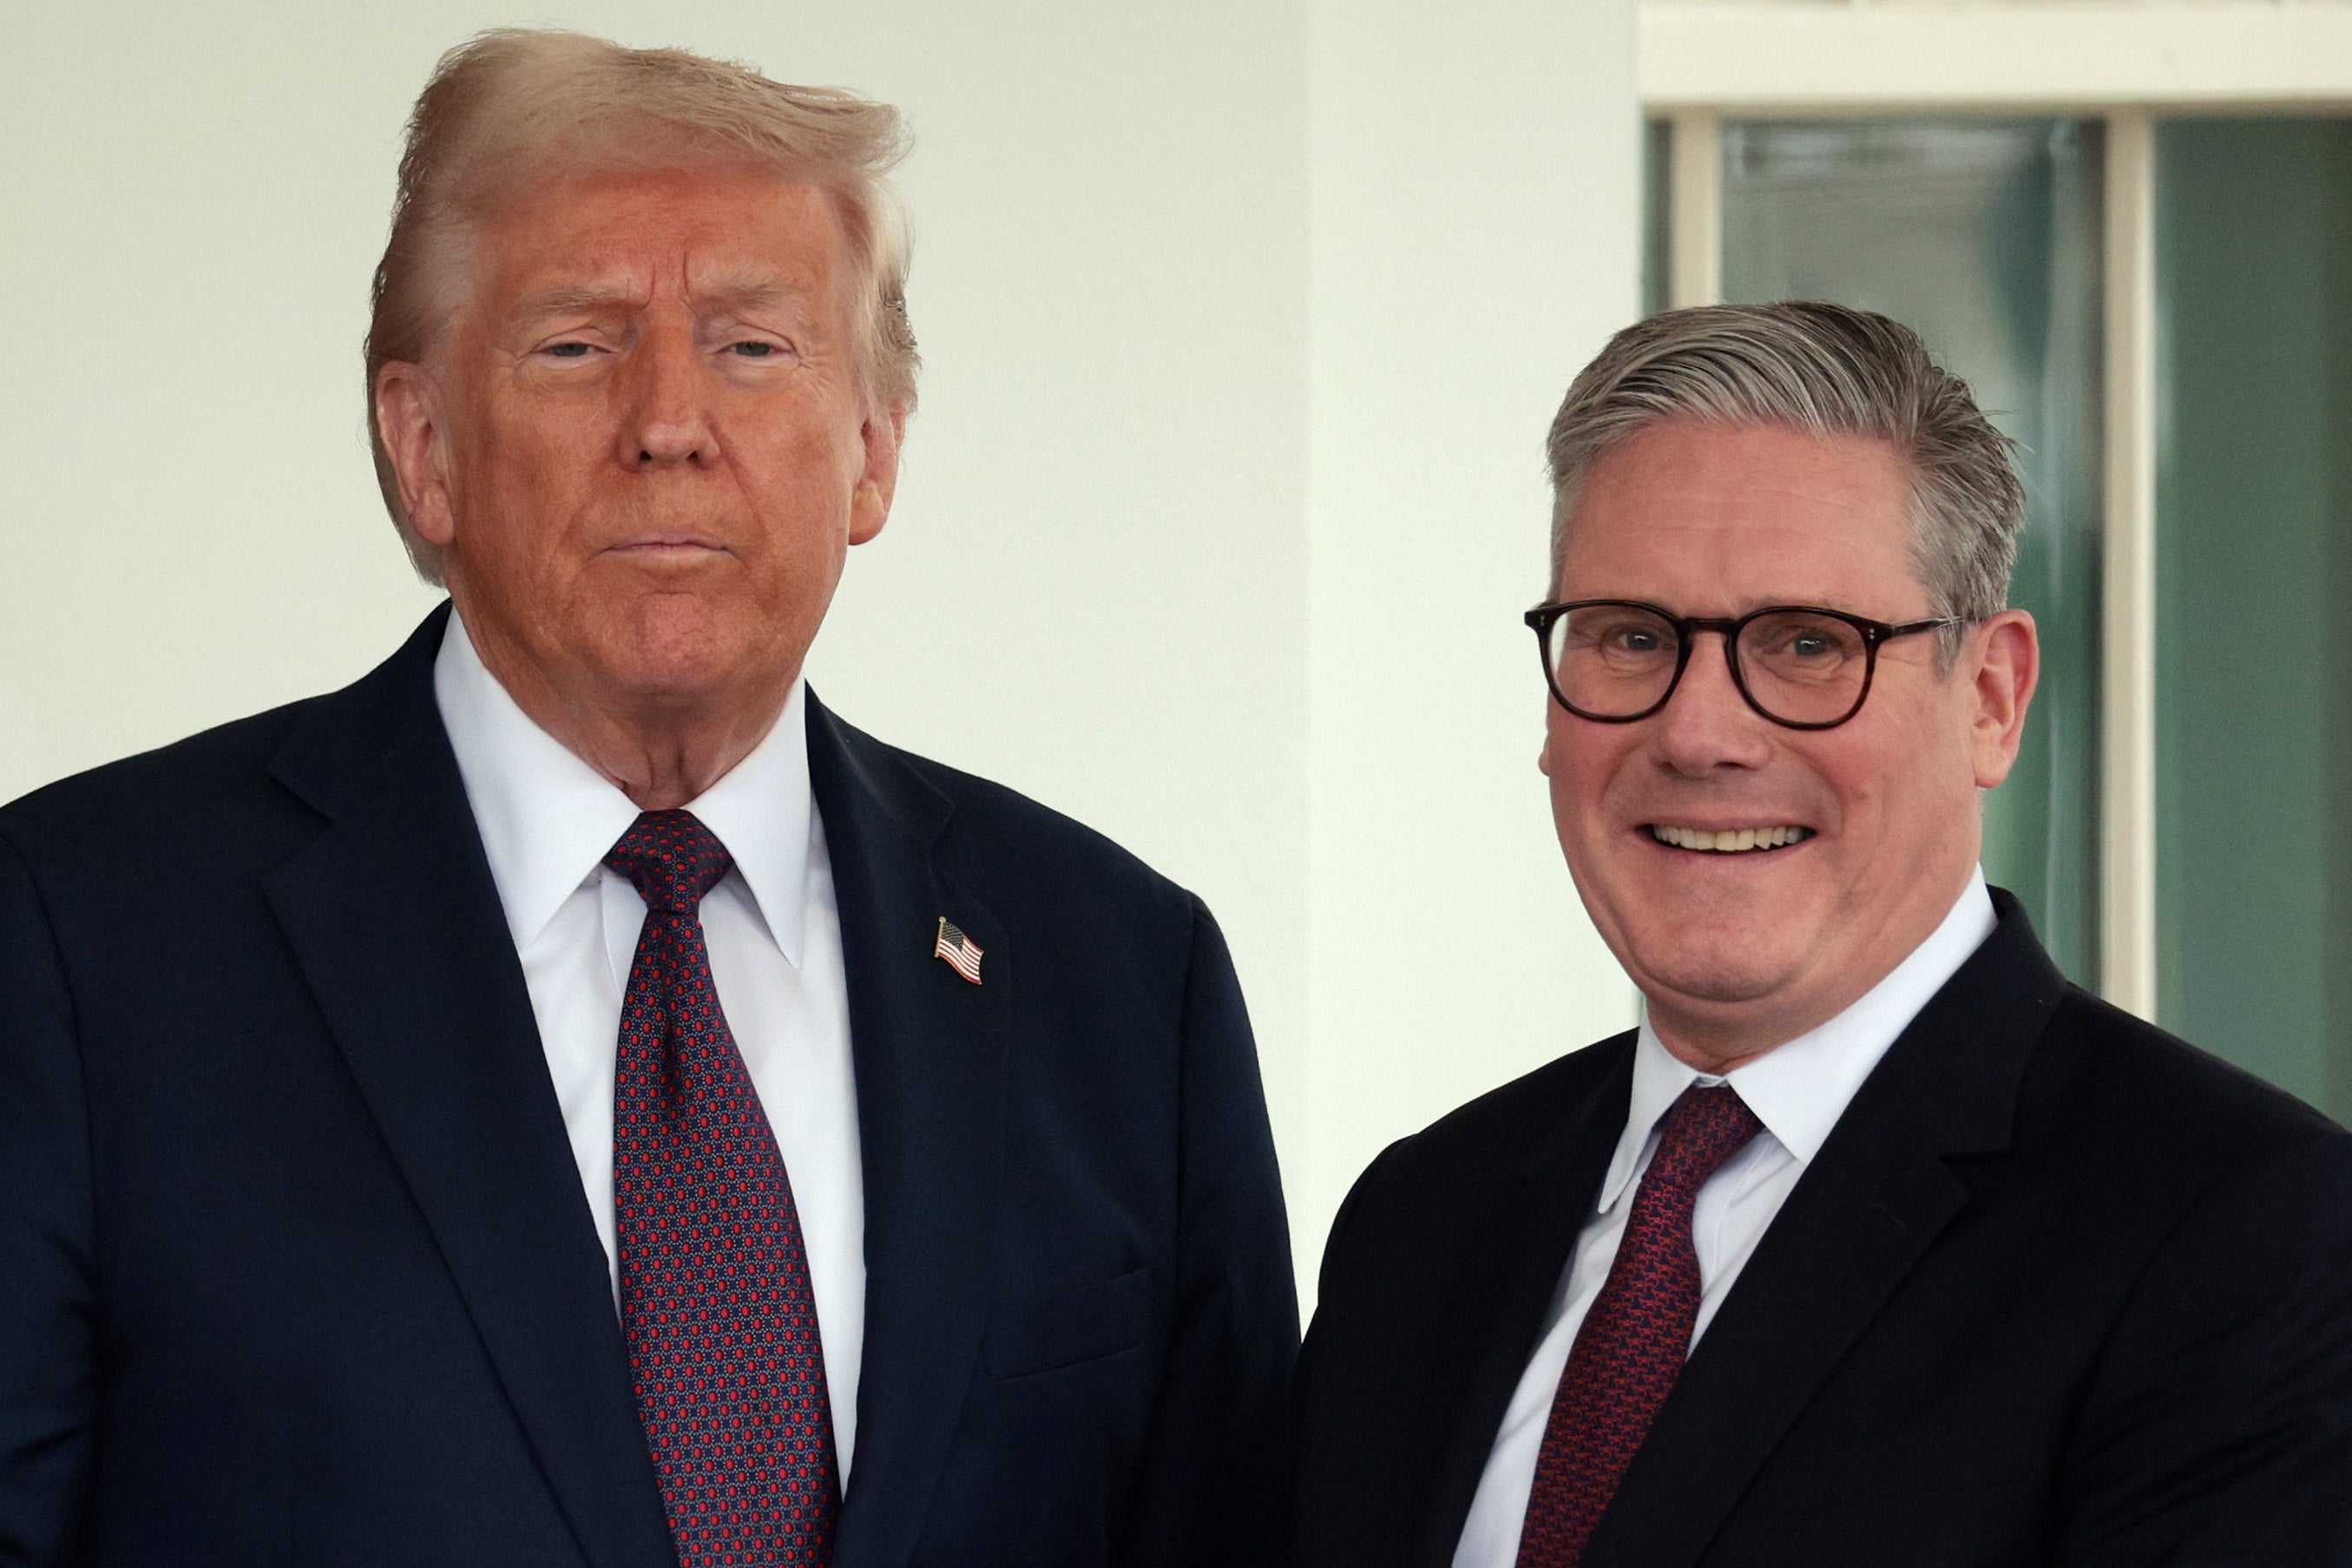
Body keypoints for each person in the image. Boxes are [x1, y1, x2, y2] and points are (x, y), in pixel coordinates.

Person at [0, 30, 1293, 1568]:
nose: (669, 420)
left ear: (872, 451)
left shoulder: (1123, 977)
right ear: (424, 448)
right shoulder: (77, 942)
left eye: (754, 346)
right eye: (576, 345)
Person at [1291, 301, 2352, 1567]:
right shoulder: (1424, 1218)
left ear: (1990, 700)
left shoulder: (2246, 1235)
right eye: (1631, 637)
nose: (1699, 734)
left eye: (1806, 644)